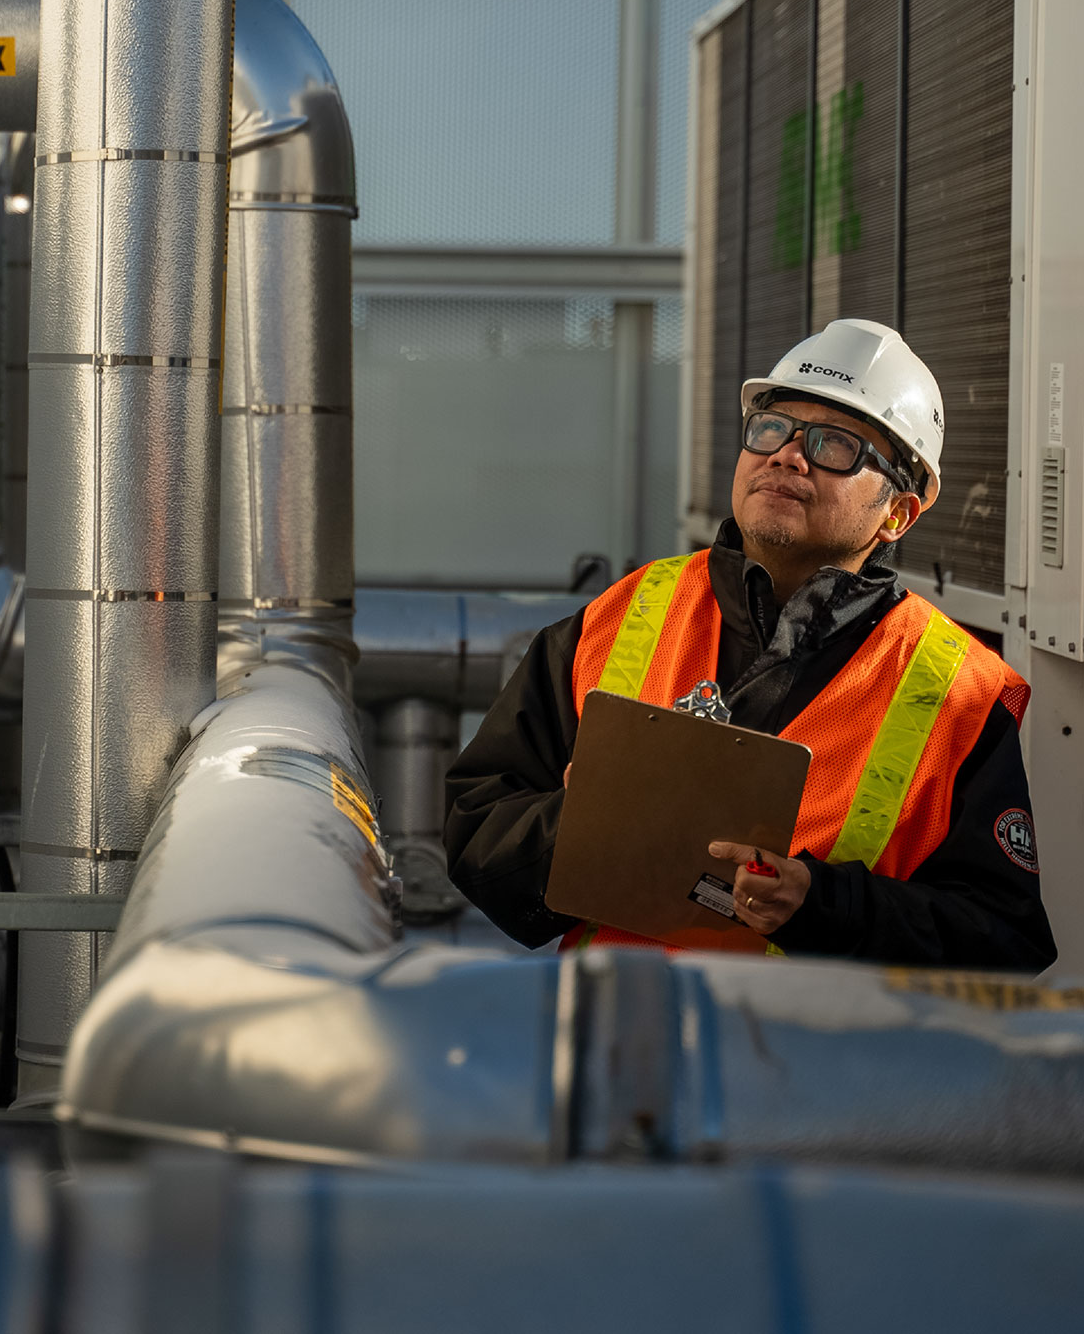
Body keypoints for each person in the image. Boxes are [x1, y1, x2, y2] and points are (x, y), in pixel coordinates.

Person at [444, 318, 1056, 970]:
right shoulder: (621, 615)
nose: (786, 454)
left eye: (834, 445)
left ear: (896, 514)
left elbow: (1004, 939)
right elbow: (475, 829)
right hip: (624, 1039)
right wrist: (580, 823)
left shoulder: (959, 690)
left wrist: (822, 905)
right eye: (771, 429)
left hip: (817, 1061)